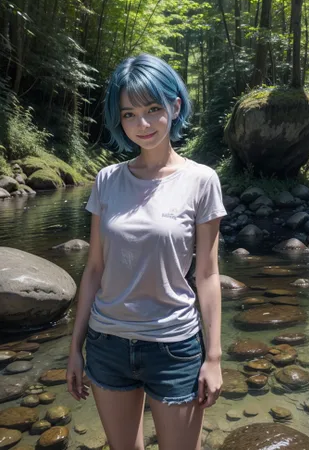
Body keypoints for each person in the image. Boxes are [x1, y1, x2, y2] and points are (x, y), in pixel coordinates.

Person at [66, 53, 227, 450]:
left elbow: (206, 274)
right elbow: (94, 269)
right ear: (119, 120)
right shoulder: (107, 180)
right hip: (107, 344)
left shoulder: (201, 180)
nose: (144, 124)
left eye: (153, 109)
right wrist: (74, 348)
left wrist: (214, 357)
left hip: (174, 346)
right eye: (130, 114)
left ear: (174, 106)